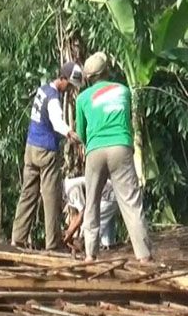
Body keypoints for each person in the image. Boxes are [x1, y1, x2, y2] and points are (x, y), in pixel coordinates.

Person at [75, 52, 153, 263]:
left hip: (95, 150)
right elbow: (127, 120)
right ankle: (144, 256)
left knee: (91, 201)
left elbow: (81, 132)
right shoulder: (123, 91)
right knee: (130, 202)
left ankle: (90, 255)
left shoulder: (82, 99)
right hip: (121, 147)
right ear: (107, 71)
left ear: (89, 77)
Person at [11, 62, 83, 250]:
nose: (69, 89)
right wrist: (71, 134)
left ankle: (17, 238)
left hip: (31, 148)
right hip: (46, 151)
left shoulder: (42, 90)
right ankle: (53, 244)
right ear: (63, 79)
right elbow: (57, 122)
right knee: (51, 197)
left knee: (28, 193)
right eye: (69, 85)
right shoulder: (53, 98)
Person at [62, 176, 118, 249]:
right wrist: (69, 232)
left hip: (106, 196)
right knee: (107, 242)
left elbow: (82, 213)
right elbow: (77, 216)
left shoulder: (71, 190)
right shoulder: (68, 187)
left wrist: (69, 233)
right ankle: (108, 248)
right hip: (109, 193)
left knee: (91, 227)